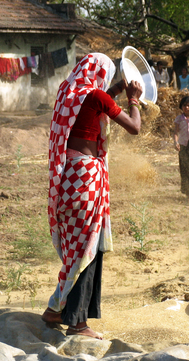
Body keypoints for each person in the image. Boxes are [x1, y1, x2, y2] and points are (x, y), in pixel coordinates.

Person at [42, 53, 143, 339]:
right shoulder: (96, 96)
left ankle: (56, 310)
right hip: (87, 178)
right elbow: (134, 127)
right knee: (88, 250)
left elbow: (93, 103)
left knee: (77, 249)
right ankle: (77, 323)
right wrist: (133, 99)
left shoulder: (68, 92)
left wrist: (115, 91)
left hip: (68, 178)